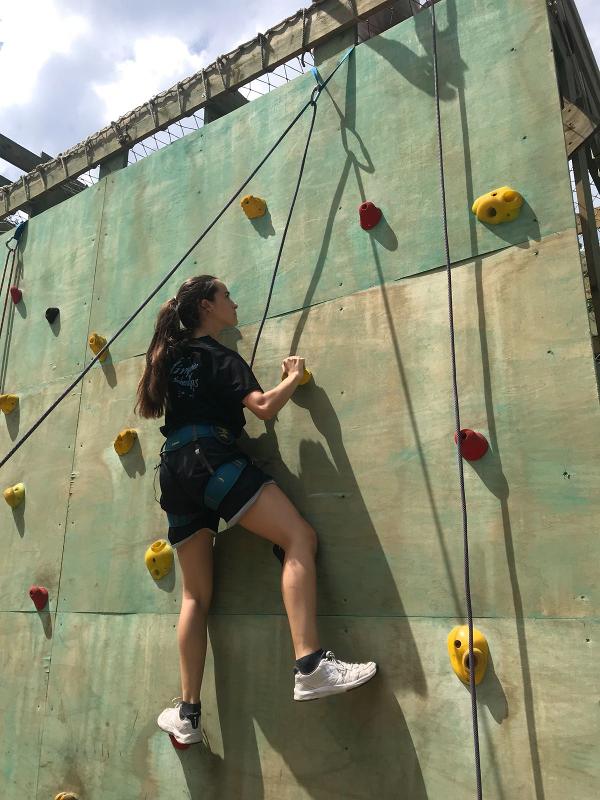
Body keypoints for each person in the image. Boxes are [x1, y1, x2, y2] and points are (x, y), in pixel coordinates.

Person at [135, 274, 377, 746]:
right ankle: (310, 664)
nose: (235, 301)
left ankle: (187, 712)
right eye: (227, 295)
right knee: (299, 538)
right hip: (212, 459)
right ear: (207, 306)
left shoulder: (171, 356)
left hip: (175, 470)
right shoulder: (219, 356)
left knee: (194, 598)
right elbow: (263, 408)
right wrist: (294, 376)